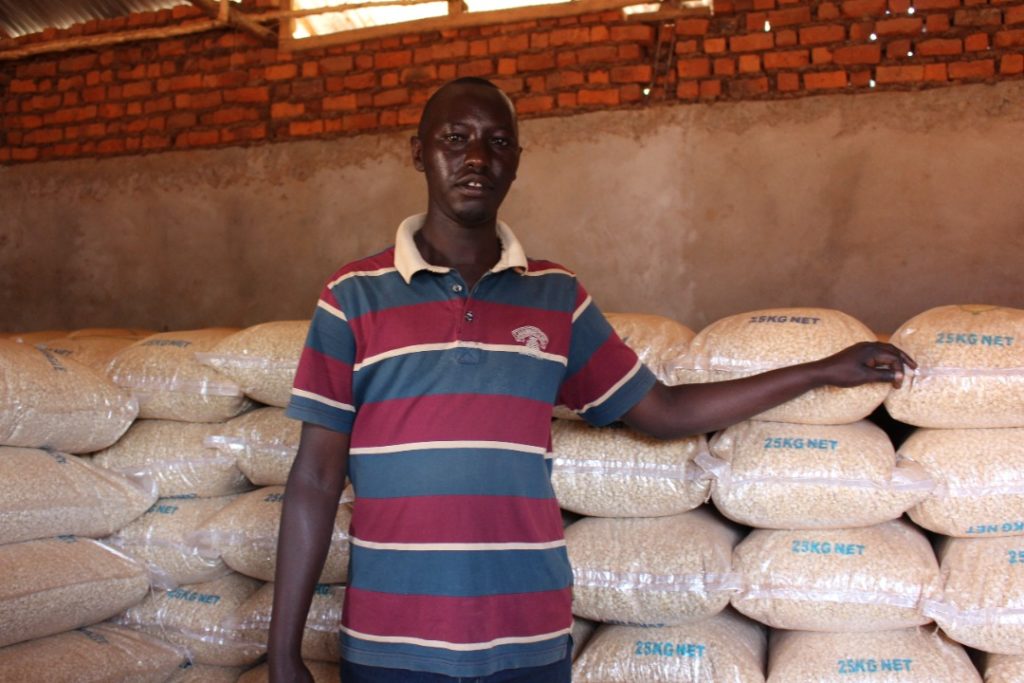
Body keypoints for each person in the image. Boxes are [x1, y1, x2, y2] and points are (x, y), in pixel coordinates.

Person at [267, 77, 915, 683]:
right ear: (418, 153)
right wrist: (283, 649)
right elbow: (316, 478)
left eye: (497, 142)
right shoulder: (351, 297)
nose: (476, 158)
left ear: (517, 159)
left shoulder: (556, 298)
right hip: (390, 643)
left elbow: (661, 410)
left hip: (528, 638)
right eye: (454, 138)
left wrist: (822, 369)